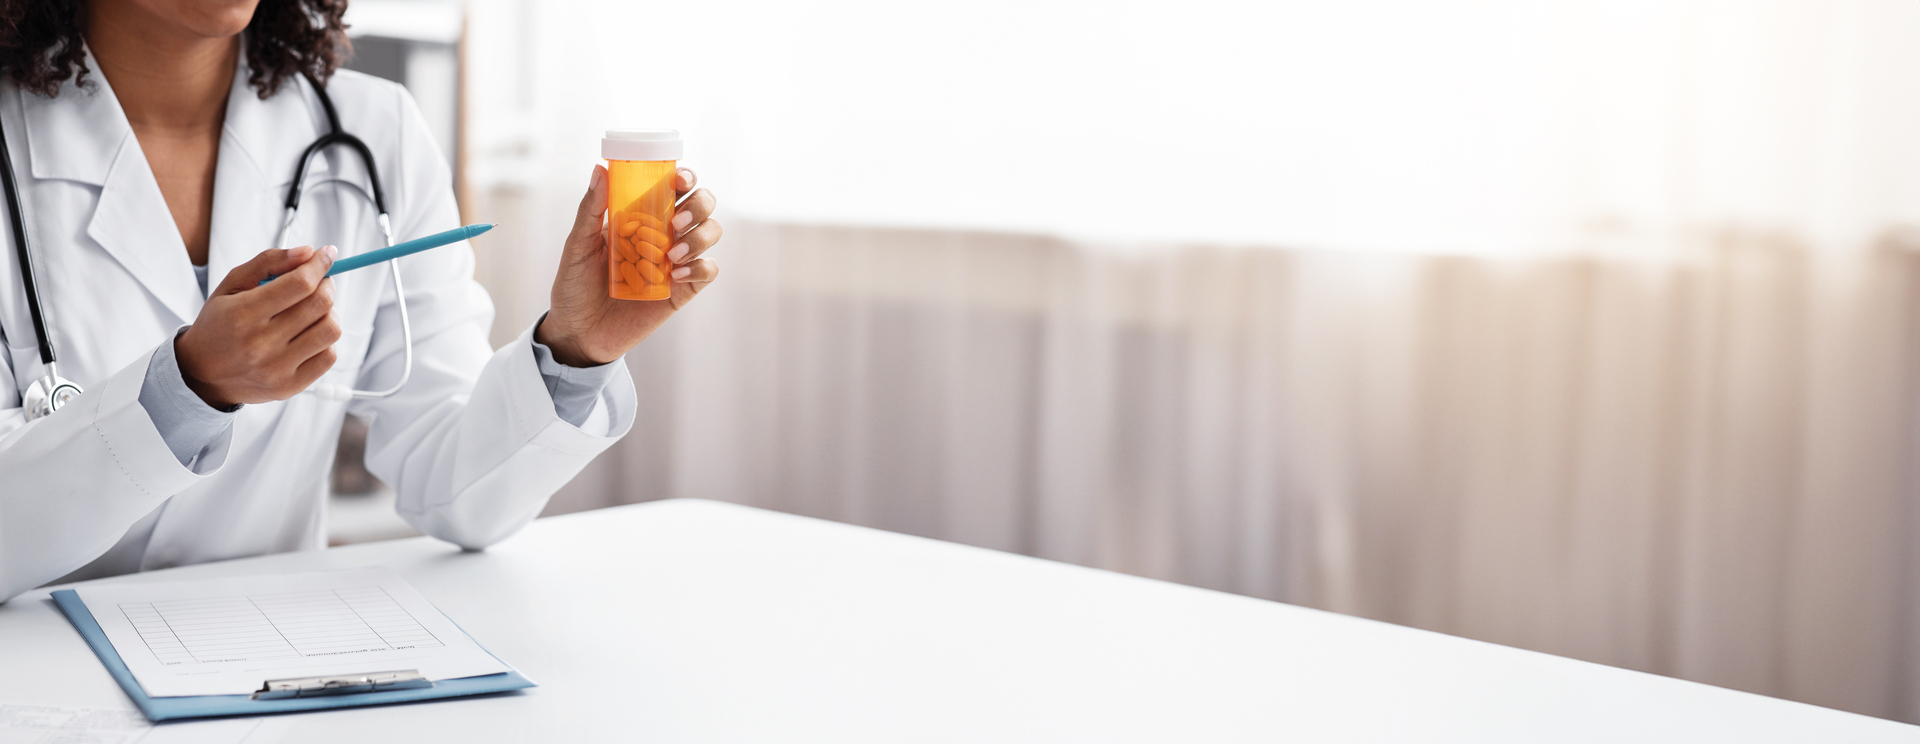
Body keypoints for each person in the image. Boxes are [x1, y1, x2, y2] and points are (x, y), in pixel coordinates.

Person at [0, 0, 722, 601]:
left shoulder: (377, 131)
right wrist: (186, 390)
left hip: (272, 670)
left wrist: (576, 349)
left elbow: (457, 490)